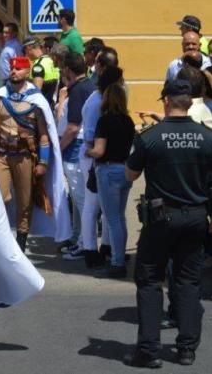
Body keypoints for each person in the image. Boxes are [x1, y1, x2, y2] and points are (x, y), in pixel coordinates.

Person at [124, 79, 212, 368]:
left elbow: (131, 175)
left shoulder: (151, 136)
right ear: (190, 103)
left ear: (165, 101)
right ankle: (187, 348)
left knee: (149, 280)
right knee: (188, 281)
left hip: (161, 218)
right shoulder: (207, 136)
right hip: (197, 216)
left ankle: (148, 351)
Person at [0, 55, 67, 252]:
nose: (14, 71)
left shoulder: (36, 101)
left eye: (18, 69)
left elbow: (44, 135)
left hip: (25, 156)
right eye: (12, 68)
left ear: (27, 72)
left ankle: (21, 240)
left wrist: (43, 163)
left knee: (25, 200)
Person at [86, 72, 135, 279]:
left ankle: (116, 263)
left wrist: (87, 150)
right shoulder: (128, 121)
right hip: (124, 169)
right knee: (119, 218)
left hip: (107, 170)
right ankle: (119, 256)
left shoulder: (104, 121)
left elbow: (99, 150)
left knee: (112, 218)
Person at [56, 53, 94, 258]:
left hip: (74, 147)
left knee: (81, 200)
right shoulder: (87, 86)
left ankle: (85, 245)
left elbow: (72, 127)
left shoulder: (79, 90)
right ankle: (79, 238)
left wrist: (58, 148)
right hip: (79, 145)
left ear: (68, 70)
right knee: (80, 200)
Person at [25, 37, 60, 106]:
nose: (26, 54)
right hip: (54, 104)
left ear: (28, 48)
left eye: (24, 51)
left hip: (43, 106)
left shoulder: (38, 65)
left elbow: (37, 92)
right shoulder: (52, 60)